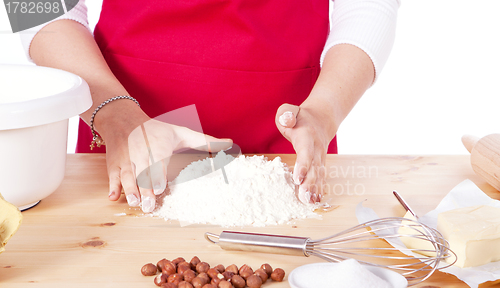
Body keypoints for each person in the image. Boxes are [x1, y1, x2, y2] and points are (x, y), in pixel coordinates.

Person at [21, 0, 399, 213]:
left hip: (289, 135)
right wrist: (114, 112)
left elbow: (368, 7)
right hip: (129, 136)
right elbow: (35, 6)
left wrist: (323, 111)